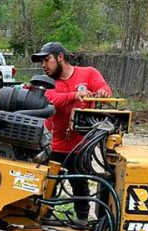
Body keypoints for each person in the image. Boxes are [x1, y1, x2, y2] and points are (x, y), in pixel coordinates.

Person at [31, 42, 112, 221]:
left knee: (81, 188)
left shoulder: (88, 73)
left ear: (60, 57)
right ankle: (42, 222)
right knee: (48, 188)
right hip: (53, 147)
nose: (43, 65)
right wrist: (75, 95)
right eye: (41, 62)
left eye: (47, 60)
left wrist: (102, 92)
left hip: (80, 147)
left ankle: (82, 222)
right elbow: (49, 98)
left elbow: (104, 89)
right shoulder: (47, 82)